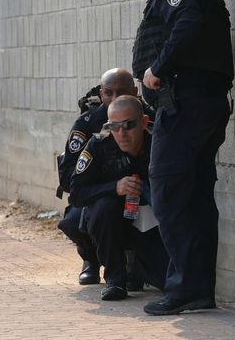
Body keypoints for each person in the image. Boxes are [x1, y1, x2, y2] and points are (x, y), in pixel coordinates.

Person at [132, 0, 234, 315]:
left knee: (169, 193)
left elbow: (186, 26)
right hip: (204, 105)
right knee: (195, 198)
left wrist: (157, 68)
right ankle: (198, 290)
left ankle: (183, 289)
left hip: (184, 106)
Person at [56, 68, 153, 286]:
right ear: (101, 94)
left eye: (122, 92)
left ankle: (137, 265)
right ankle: (91, 258)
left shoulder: (146, 117)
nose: (114, 98)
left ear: (135, 91)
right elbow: (70, 178)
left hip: (140, 194)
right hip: (100, 194)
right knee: (83, 217)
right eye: (109, 93)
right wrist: (109, 182)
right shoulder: (87, 124)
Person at [69, 95, 168, 301]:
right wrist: (115, 187)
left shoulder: (158, 144)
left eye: (129, 125)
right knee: (103, 207)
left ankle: (138, 269)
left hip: (149, 222)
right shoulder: (99, 146)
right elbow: (77, 193)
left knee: (166, 282)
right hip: (111, 221)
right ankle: (115, 279)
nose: (121, 133)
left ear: (143, 123)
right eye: (114, 126)